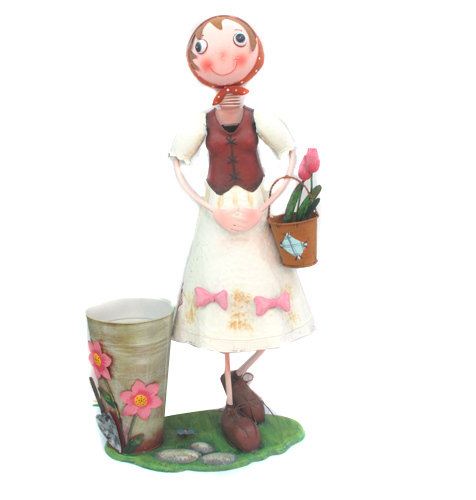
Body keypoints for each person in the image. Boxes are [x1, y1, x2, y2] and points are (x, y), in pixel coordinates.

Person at [169, 15, 315, 453]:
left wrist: (265, 207)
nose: (222, 56)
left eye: (235, 42)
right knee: (220, 292)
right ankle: (232, 405)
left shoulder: (258, 118)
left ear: (253, 53)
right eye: (205, 48)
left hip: (255, 214)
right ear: (196, 61)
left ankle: (235, 378)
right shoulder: (202, 122)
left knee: (267, 293)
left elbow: (289, 154)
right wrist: (211, 207)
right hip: (216, 219)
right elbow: (178, 164)